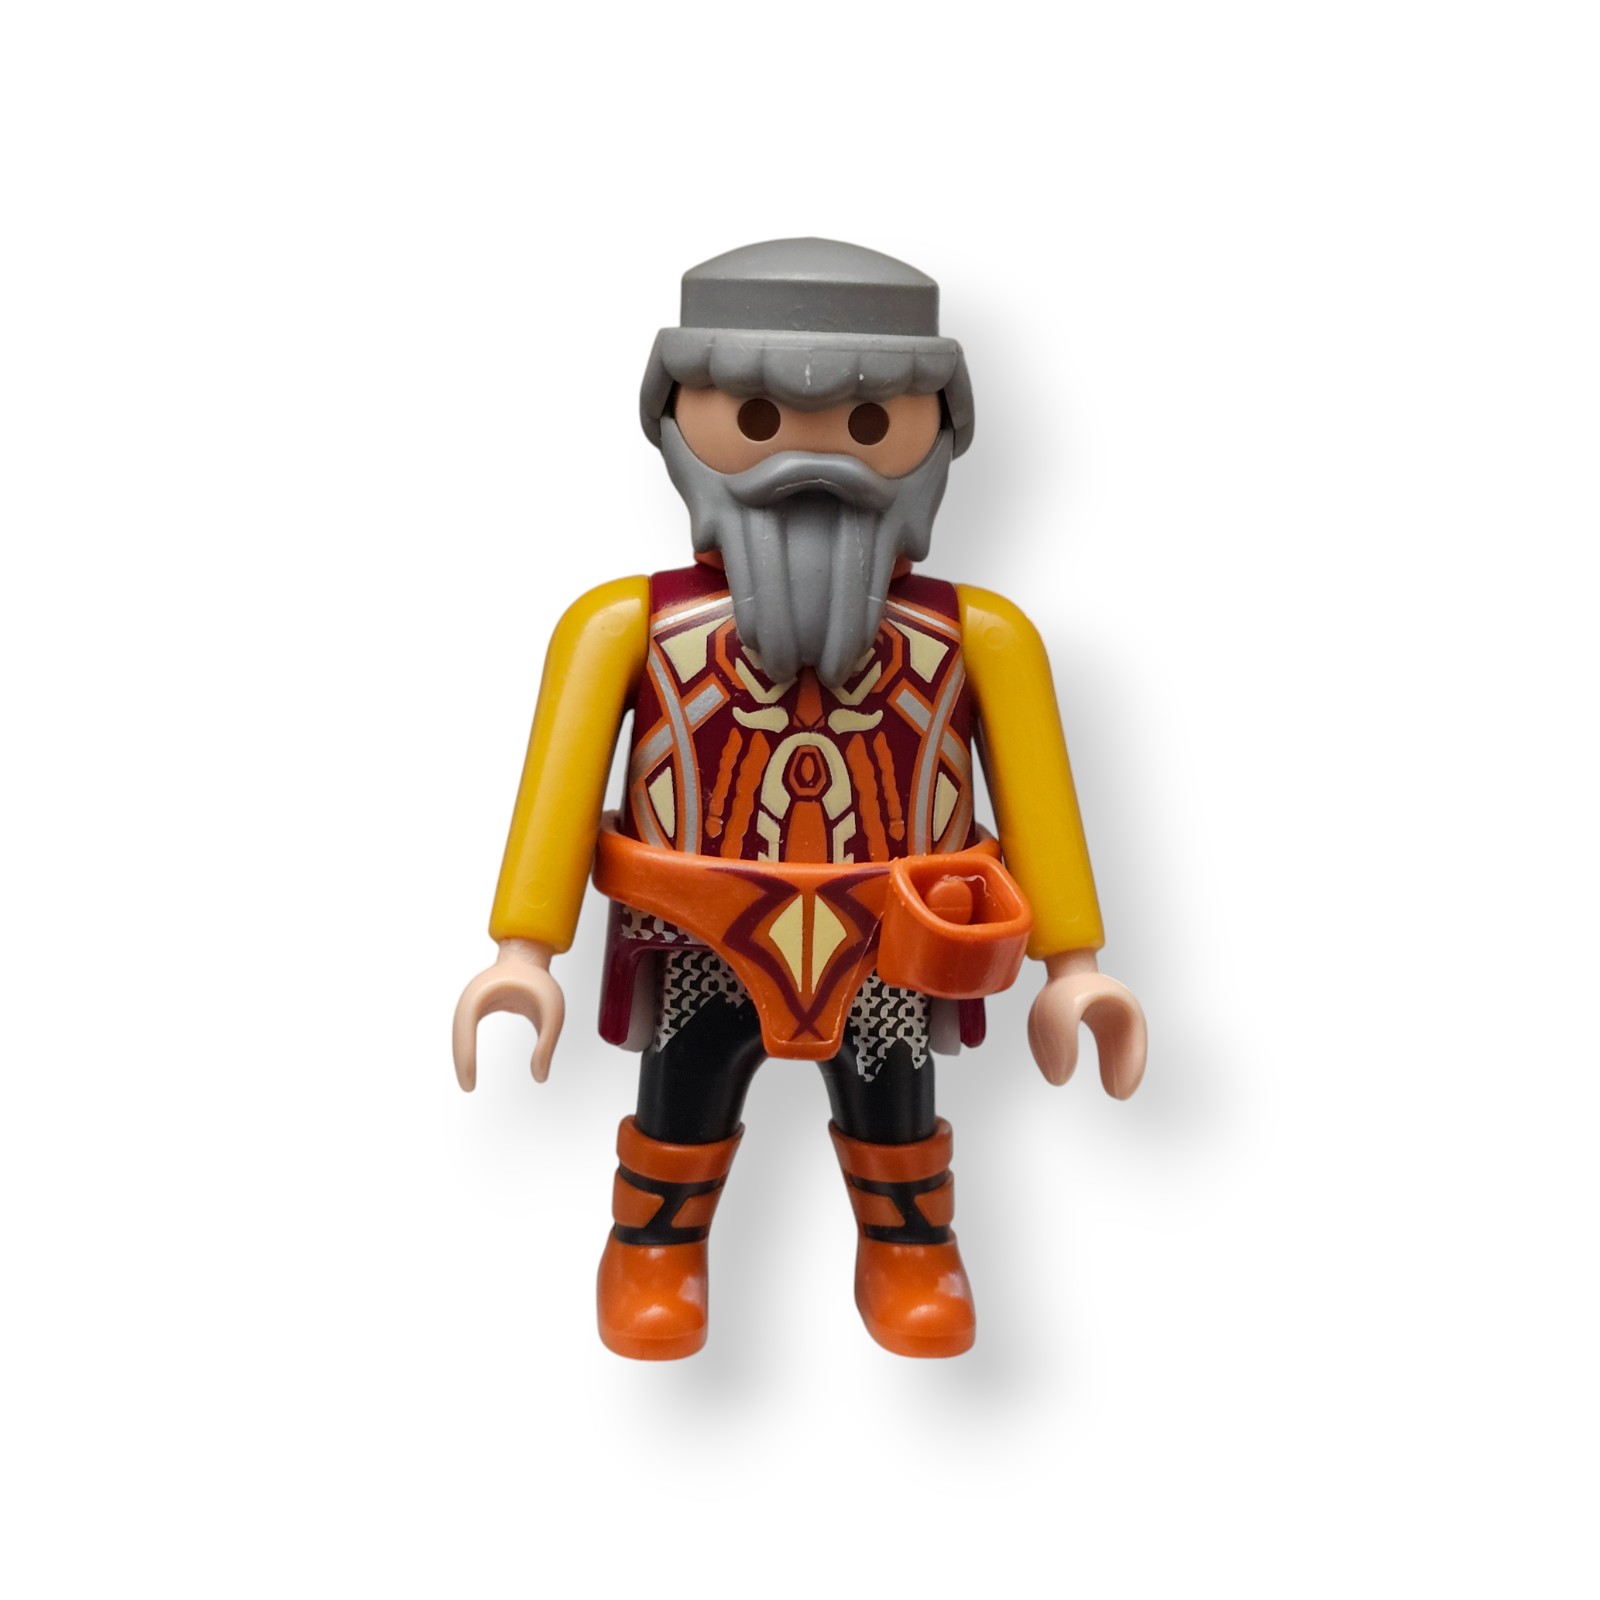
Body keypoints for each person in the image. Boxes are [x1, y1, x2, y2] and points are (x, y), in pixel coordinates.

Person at [453, 238, 1146, 1360]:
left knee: (894, 1101)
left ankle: (911, 1253)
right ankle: (655, 1250)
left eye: (867, 425)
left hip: (892, 931)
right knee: (683, 1092)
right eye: (760, 421)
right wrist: (521, 952)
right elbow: (558, 789)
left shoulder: (982, 637)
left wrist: (1076, 968)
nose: (809, 464)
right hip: (699, 928)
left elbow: (1039, 799)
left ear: (935, 436)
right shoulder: (621, 626)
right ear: (678, 422)